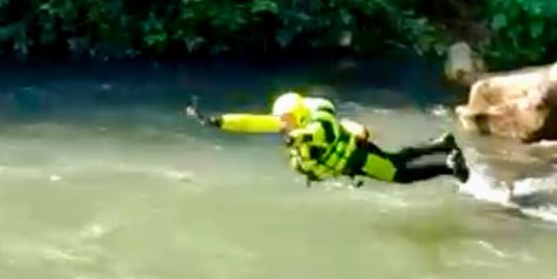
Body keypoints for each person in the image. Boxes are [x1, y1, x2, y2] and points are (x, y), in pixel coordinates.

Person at [187, 92, 469, 185]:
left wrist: (297, 137)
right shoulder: (295, 121)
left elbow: (314, 134)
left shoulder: (317, 123)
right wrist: (217, 121)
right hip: (355, 152)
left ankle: (448, 165)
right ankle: (442, 143)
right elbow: (253, 121)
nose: (281, 125)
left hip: (356, 157)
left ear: (297, 116)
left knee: (400, 175)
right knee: (396, 158)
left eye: (286, 121)